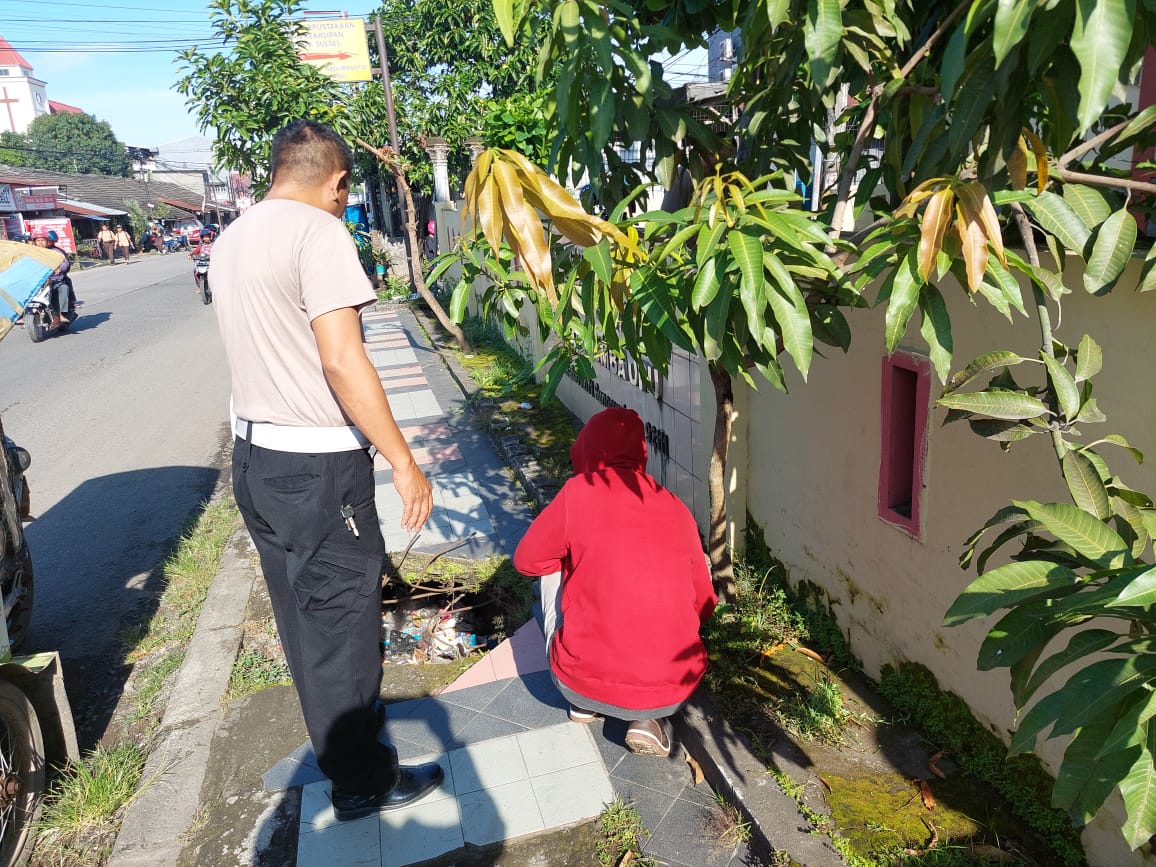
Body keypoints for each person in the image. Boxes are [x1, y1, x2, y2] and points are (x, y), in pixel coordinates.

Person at [210, 119, 442, 822]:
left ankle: (345, 763)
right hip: (316, 468)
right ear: (337, 181)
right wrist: (403, 461)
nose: (344, 203)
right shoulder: (319, 234)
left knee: (304, 623)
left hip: (255, 460)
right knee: (342, 625)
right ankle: (362, 780)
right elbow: (342, 359)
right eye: (345, 193)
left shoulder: (231, 239)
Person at [513, 407, 717, 758]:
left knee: (552, 568)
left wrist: (576, 563)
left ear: (587, 449)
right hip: (675, 685)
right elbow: (705, 603)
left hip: (579, 678)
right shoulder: (675, 507)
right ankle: (648, 721)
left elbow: (526, 562)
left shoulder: (579, 491)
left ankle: (584, 700)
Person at [43, 231, 76, 322]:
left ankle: (62, 313)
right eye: (38, 241)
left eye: (43, 240)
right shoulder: (33, 252)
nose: (41, 243)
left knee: (64, 287)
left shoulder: (57, 251)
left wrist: (59, 268)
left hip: (54, 280)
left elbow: (65, 264)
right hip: (37, 282)